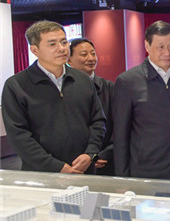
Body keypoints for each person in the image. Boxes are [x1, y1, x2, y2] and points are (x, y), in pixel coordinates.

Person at [2, 21, 105, 174]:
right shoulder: (16, 85)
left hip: (83, 169)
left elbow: (98, 120)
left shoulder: (82, 79)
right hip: (42, 174)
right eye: (52, 44)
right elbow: (19, 136)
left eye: (64, 42)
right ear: (34, 50)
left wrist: (90, 154)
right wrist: (57, 167)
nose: (61, 48)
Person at [113, 21, 170, 181]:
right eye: (160, 47)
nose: (167, 52)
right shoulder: (128, 81)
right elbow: (121, 134)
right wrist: (122, 176)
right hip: (146, 171)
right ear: (147, 46)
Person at [68, 38, 114, 175]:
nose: (90, 58)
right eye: (84, 54)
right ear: (69, 60)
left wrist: (101, 154)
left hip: (104, 161)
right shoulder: (64, 90)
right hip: (73, 162)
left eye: (93, 54)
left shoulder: (109, 87)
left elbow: (119, 126)